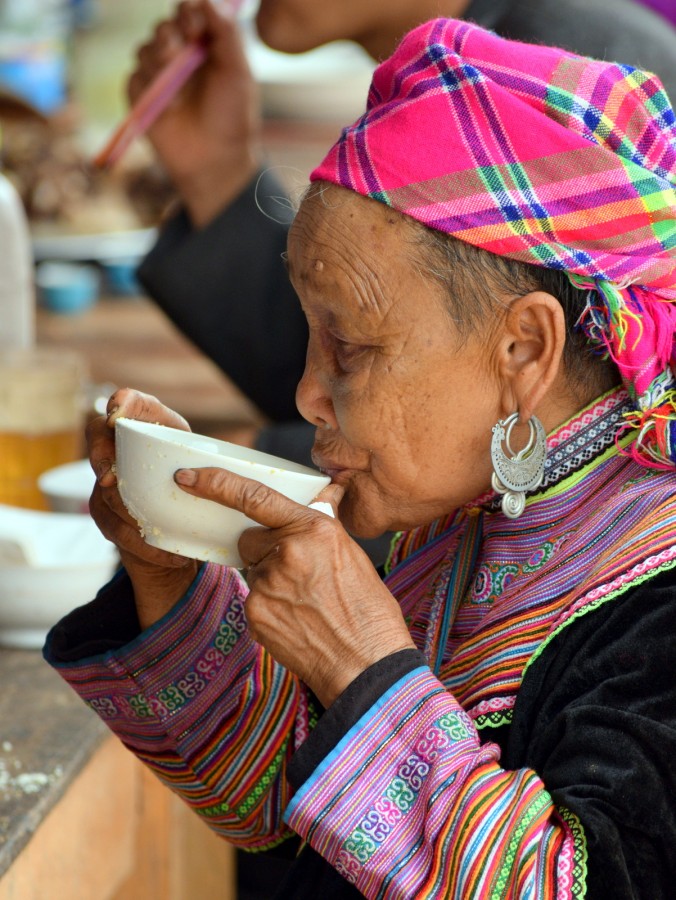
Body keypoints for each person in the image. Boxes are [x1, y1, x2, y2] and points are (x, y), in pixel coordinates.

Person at [45, 18, 676, 898]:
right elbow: (279, 808)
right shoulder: (470, 509)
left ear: (525, 352)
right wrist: (169, 571)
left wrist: (362, 668)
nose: (306, 395)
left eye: (351, 345)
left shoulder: (654, 595)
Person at [134, 0, 676, 473]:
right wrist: (217, 173)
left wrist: (269, 458)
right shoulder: (439, 75)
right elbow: (362, 361)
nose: (312, 393)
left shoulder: (575, 67)